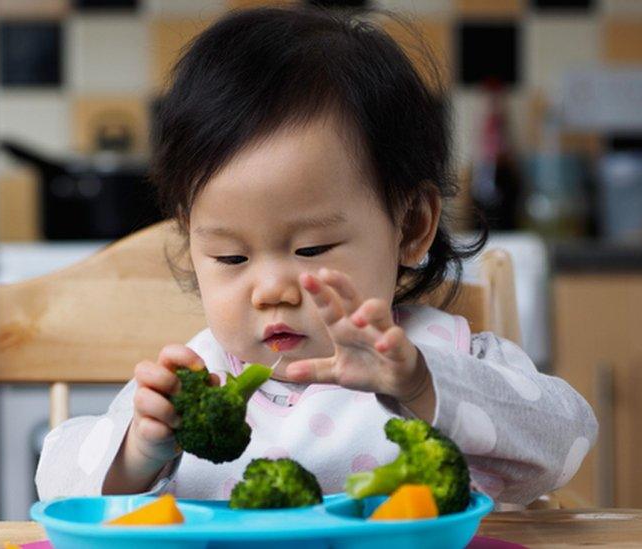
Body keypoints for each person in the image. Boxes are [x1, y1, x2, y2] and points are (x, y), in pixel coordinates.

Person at [36, 5, 597, 506]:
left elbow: (567, 439)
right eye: (231, 257)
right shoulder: (195, 383)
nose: (271, 289)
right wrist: (138, 452)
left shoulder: (441, 360)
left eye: (310, 248)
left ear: (412, 225)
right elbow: (57, 478)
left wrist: (425, 387)